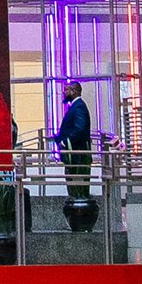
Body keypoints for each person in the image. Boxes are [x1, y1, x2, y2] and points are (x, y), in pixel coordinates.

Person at [55, 81, 93, 215]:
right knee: (73, 184)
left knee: (77, 186)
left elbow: (80, 128)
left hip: (78, 156)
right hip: (74, 155)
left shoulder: (79, 107)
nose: (64, 93)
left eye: (66, 90)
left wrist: (66, 141)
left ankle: (79, 215)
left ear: (74, 91)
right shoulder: (75, 107)